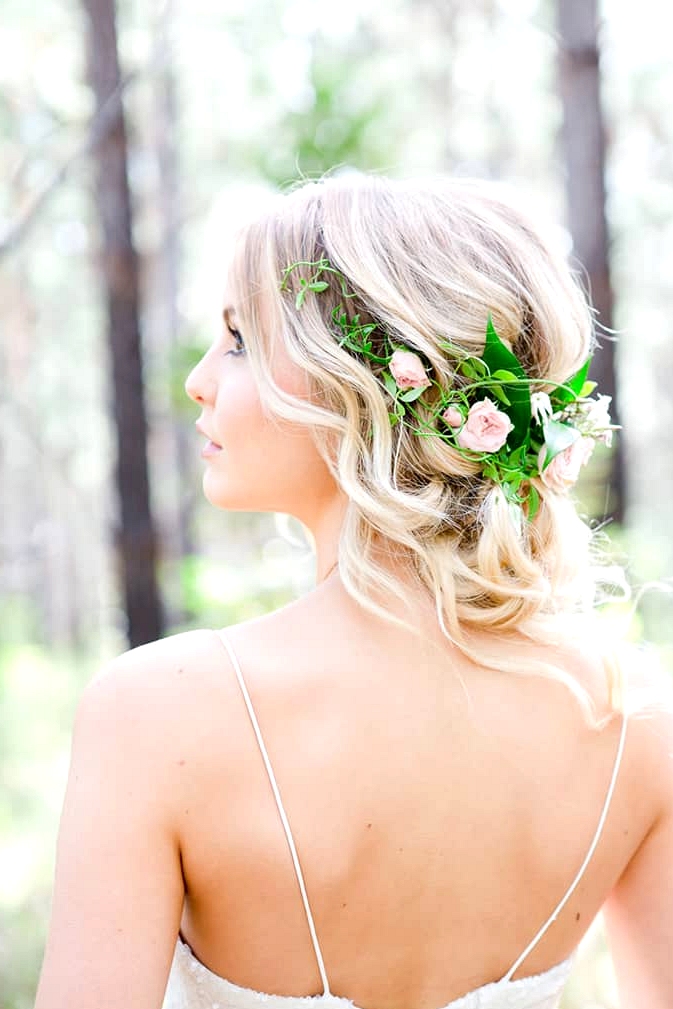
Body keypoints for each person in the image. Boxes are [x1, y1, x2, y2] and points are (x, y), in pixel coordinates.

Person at [35, 174, 672, 1009]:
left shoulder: (157, 711)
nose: (199, 379)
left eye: (237, 341)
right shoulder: (638, 719)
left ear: (357, 385)